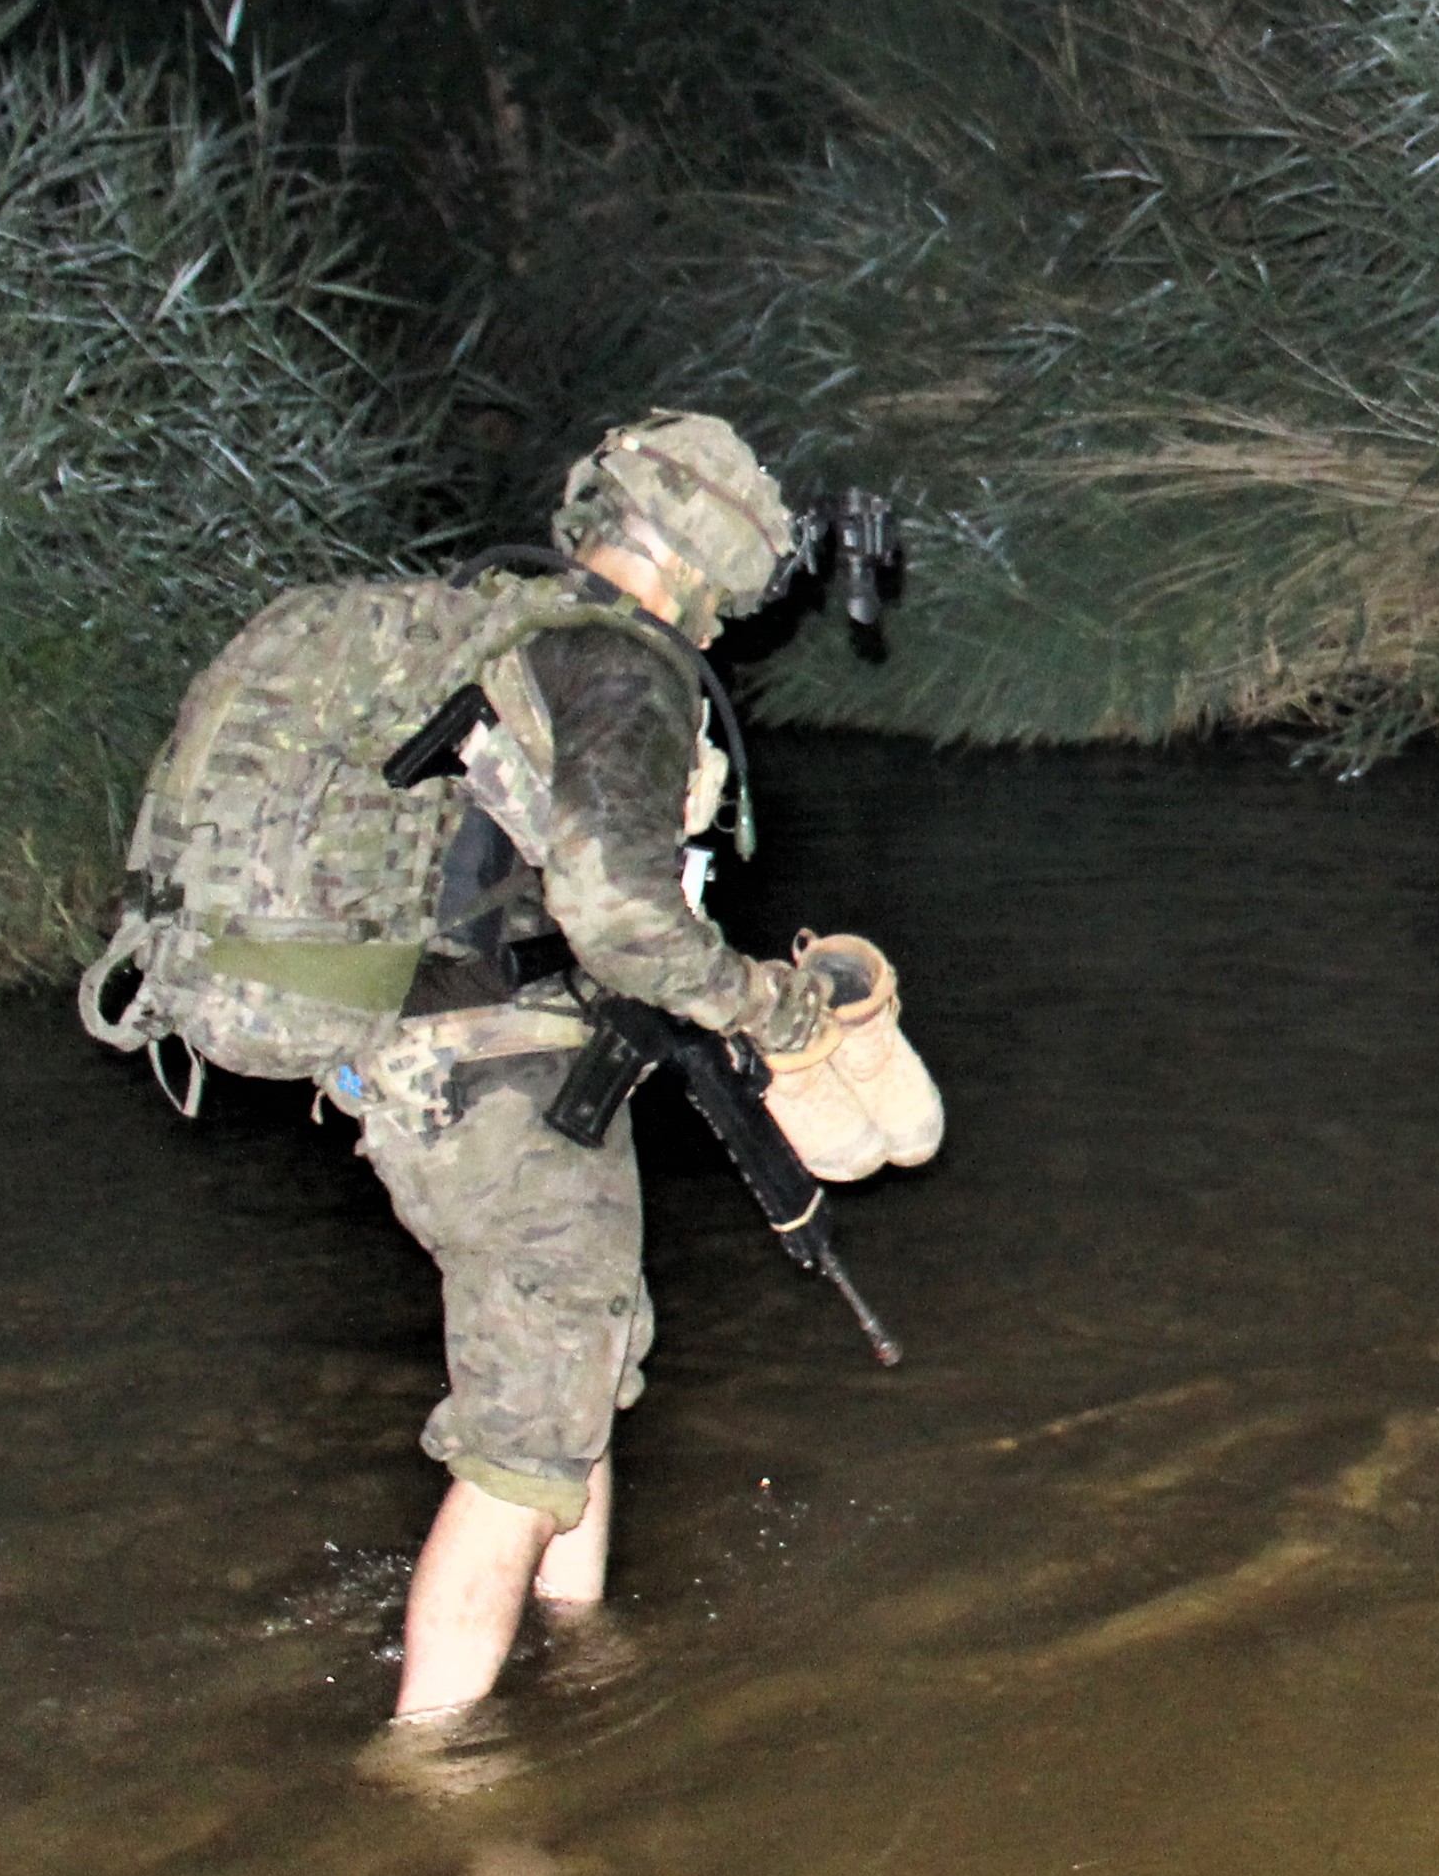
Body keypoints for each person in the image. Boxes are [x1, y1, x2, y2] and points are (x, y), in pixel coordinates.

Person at [81, 411, 908, 1718]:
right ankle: (437, 1771)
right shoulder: (625, 670)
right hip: (487, 1077)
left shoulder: (511, 632)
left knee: (578, 1359)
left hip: (437, 1055)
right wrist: (775, 1010)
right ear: (717, 570)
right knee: (527, 1425)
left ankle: (577, 1655)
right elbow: (622, 918)